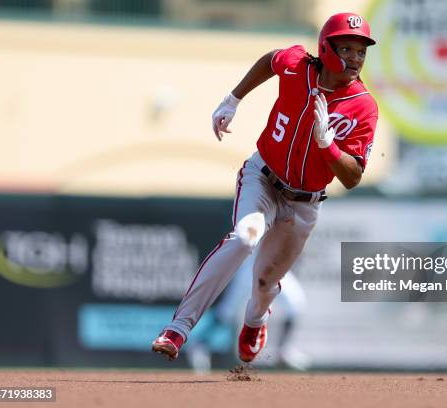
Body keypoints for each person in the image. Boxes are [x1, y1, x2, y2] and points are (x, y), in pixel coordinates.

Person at [152, 12, 378, 364]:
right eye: (347, 48)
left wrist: (328, 145)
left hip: (304, 204)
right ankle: (179, 328)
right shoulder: (297, 64)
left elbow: (352, 177)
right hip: (263, 178)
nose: (355, 58)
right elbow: (270, 60)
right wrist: (233, 99)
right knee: (244, 237)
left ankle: (256, 321)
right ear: (325, 48)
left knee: (265, 284)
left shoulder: (362, 106)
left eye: (361, 51)